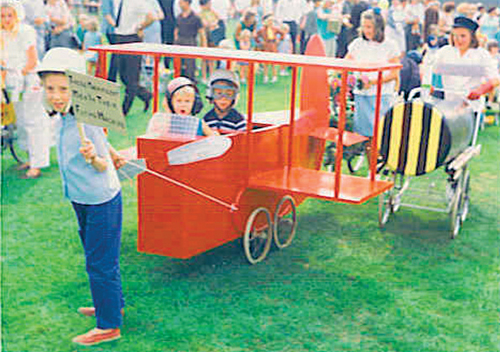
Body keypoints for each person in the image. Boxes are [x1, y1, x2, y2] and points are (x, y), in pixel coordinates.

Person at [36, 47, 126, 346]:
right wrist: (110, 152)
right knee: (98, 258)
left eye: (64, 88)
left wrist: (96, 158)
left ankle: (109, 325)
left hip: (100, 200)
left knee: (100, 263)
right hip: (82, 197)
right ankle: (111, 305)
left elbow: (102, 164)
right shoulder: (67, 115)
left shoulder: (84, 119)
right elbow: (106, 145)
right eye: (51, 88)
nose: (57, 95)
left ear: (78, 88)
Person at [1, 0, 51, 179]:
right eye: (3, 16)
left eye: (10, 15)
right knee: (21, 122)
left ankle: (38, 163)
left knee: (33, 122)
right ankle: (30, 158)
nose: (6, 19)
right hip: (12, 84)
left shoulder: (25, 31)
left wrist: (19, 74)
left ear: (17, 15)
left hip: (28, 81)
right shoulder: (1, 34)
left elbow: (31, 60)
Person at [345, 8, 400, 139]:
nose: (366, 30)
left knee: (381, 134)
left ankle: (380, 158)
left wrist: (372, 82)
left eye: (369, 27)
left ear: (379, 27)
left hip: (381, 95)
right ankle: (367, 157)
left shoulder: (390, 45)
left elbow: (394, 74)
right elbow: (345, 64)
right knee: (362, 135)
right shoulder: (357, 44)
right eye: (364, 26)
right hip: (361, 95)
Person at [432, 17, 500, 118]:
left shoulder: (482, 54)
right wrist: (432, 87)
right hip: (447, 105)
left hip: (470, 106)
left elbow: (495, 79)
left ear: (472, 37)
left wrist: (480, 91)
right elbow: (432, 72)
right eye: (455, 36)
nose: (458, 40)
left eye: (463, 36)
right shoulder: (444, 52)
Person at [112, 0, 155, 116]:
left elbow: (152, 17)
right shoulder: (119, 2)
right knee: (123, 77)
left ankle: (123, 111)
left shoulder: (138, 2)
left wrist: (140, 27)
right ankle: (145, 95)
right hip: (119, 37)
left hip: (131, 37)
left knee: (132, 78)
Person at [146, 76, 215, 137]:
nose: (183, 105)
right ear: (170, 103)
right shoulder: (166, 122)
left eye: (187, 101)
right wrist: (168, 109)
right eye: (179, 101)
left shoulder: (198, 123)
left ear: (195, 103)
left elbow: (215, 138)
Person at [174, 0, 207, 81]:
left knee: (190, 65)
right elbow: (176, 30)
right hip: (179, 41)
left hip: (190, 41)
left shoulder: (196, 18)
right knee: (179, 64)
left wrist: (204, 47)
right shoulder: (179, 17)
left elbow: (202, 33)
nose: (180, 5)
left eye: (181, 2)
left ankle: (190, 81)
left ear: (187, 3)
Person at [255, 14, 284, 83]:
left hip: (273, 44)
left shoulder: (275, 29)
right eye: (269, 21)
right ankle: (265, 76)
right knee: (266, 62)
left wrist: (279, 39)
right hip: (266, 45)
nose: (270, 23)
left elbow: (282, 33)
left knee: (273, 61)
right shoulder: (262, 30)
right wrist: (260, 42)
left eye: (271, 21)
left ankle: (274, 76)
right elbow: (256, 36)